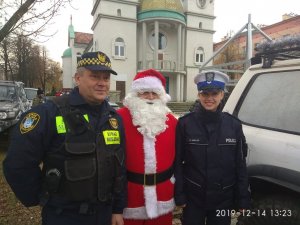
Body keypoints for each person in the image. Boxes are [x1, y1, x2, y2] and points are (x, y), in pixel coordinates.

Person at [3, 51, 127, 225]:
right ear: (77, 78)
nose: (102, 83)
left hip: (105, 214)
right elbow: (18, 163)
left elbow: (119, 167)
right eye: (94, 77)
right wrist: (40, 197)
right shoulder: (49, 113)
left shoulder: (113, 118)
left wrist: (117, 209)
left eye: (106, 78)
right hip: (64, 216)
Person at [174, 70, 250, 225]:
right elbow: (177, 163)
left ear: (222, 95)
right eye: (205, 94)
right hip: (193, 199)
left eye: (214, 94)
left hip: (223, 199)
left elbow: (240, 165)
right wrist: (179, 195)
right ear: (199, 95)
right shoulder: (185, 124)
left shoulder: (234, 125)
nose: (209, 98)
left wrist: (243, 198)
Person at [117, 69, 177, 225]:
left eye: (155, 93)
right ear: (135, 95)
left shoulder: (172, 121)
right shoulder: (119, 119)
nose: (150, 97)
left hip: (163, 194)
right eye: (145, 92)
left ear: (161, 95)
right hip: (130, 195)